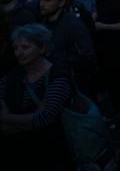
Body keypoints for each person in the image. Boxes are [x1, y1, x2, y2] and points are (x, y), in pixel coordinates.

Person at [0, 25, 72, 170]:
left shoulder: (57, 77)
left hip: (49, 154)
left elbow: (44, 118)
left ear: (43, 49)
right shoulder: (11, 76)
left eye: (25, 47)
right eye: (16, 48)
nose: (19, 53)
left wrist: (5, 118)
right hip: (15, 153)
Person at [38, 0, 96, 94]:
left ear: (61, 2)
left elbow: (87, 56)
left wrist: (59, 65)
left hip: (67, 85)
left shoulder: (73, 25)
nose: (41, 4)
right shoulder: (41, 23)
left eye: (47, 0)